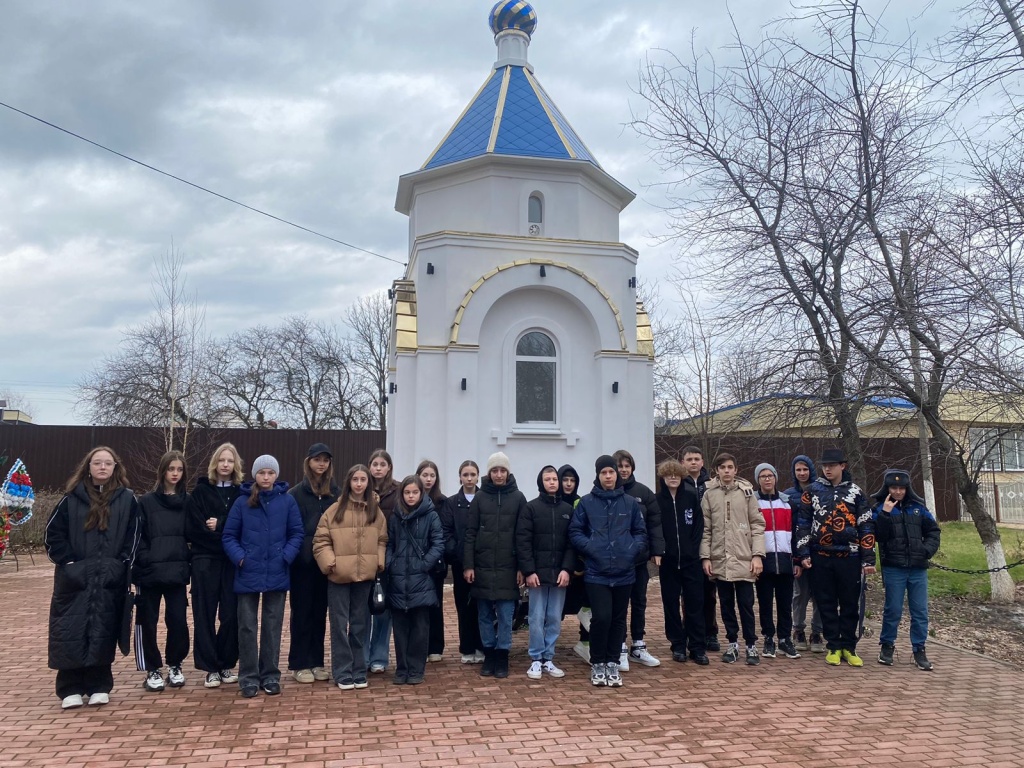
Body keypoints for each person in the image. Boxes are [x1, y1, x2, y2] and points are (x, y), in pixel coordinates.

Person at [45, 446, 141, 710]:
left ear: (115, 467)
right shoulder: (71, 499)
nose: (102, 467)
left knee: (103, 628)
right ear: (88, 467)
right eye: (97, 463)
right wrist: (69, 563)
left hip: (109, 578)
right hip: (74, 580)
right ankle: (70, 688)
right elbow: (53, 536)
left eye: (107, 463)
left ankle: (99, 685)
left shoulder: (127, 499)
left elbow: (134, 536)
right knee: (70, 631)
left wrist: (120, 564)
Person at [222, 455, 304, 697]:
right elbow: (229, 536)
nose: (266, 477)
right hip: (247, 571)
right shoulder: (242, 502)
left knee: (272, 625)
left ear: (276, 475)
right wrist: (241, 558)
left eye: (270, 473)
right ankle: (248, 677)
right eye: (261, 473)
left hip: (277, 571)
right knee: (247, 626)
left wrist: (286, 556)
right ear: (254, 475)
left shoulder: (287, 502)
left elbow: (297, 533)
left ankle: (270, 675)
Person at [569, 455, 648, 687]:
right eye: (603, 472)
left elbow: (640, 532)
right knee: (601, 618)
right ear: (598, 475)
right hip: (597, 572)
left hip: (624, 572)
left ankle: (613, 662)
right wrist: (592, 548)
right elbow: (575, 532)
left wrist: (630, 551)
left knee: (617, 619)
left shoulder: (630, 503)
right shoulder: (586, 502)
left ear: (617, 474)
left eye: (611, 472)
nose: (608, 476)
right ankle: (598, 662)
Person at [796, 448, 876, 667]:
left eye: (832, 465)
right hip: (820, 556)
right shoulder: (812, 491)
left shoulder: (855, 492)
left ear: (843, 466)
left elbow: (866, 524)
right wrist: (803, 554)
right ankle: (833, 645)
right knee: (826, 602)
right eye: (824, 465)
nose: (828, 469)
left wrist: (868, 559)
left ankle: (849, 646)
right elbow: (802, 524)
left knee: (850, 602)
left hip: (850, 556)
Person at [313, 464, 387, 690]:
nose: (359, 484)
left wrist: (378, 562)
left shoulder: (375, 511)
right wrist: (330, 563)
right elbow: (320, 541)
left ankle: (358, 670)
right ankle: (342, 672)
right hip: (338, 578)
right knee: (339, 626)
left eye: (363, 479)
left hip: (364, 578)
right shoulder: (334, 511)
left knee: (359, 626)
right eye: (355, 479)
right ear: (349, 482)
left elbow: (382, 539)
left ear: (368, 483)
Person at [463, 452, 527, 679]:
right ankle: (489, 654)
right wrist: (468, 565)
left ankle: (502, 656)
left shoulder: (518, 498)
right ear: (489, 474)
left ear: (508, 472)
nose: (499, 475)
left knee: (506, 613)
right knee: (484, 615)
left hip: (509, 567)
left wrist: (522, 567)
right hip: (482, 566)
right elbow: (470, 533)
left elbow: (522, 535)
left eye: (502, 470)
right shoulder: (480, 498)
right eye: (494, 470)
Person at [185, 443, 242, 688]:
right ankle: (210, 668)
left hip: (232, 562)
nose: (225, 465)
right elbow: (194, 529)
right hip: (204, 561)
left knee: (230, 615)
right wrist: (225, 535)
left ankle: (227, 663)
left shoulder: (242, 493)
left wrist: (220, 525)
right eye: (221, 460)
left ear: (236, 465)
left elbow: (243, 528)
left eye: (230, 460)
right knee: (204, 614)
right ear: (215, 464)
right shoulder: (200, 493)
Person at [871, 469, 940, 671]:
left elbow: (933, 531)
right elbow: (878, 536)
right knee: (893, 609)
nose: (898, 492)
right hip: (894, 567)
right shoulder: (879, 508)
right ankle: (887, 646)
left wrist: (926, 551)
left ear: (907, 488)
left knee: (920, 611)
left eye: (902, 488)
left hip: (918, 568)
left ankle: (919, 649)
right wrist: (884, 513)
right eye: (894, 487)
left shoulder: (918, 508)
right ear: (887, 488)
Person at [134, 450, 191, 692]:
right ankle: (152, 669)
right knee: (147, 621)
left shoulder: (189, 501)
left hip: (177, 571)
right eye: (171, 469)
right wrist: (146, 559)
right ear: (163, 471)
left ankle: (175, 664)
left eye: (179, 469)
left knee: (177, 621)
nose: (175, 473)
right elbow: (138, 536)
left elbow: (194, 535)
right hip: (149, 573)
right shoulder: (146, 501)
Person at [700, 453, 765, 666]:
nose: (726, 471)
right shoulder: (709, 495)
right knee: (726, 604)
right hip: (720, 559)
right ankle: (732, 643)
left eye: (730, 467)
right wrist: (706, 557)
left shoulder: (746, 493)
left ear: (735, 470)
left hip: (744, 559)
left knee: (746, 604)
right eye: (722, 467)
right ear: (716, 470)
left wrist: (757, 555)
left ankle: (751, 645)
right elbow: (706, 529)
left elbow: (757, 525)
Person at [288, 443, 340, 684]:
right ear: (308, 461)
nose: (321, 464)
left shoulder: (336, 493)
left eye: (325, 460)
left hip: (326, 564)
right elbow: (291, 529)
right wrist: (299, 554)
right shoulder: (295, 494)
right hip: (302, 565)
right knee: (302, 613)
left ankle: (317, 661)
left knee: (320, 613)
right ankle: (300, 663)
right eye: (317, 459)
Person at [517, 465, 575, 680]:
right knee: (536, 617)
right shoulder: (531, 509)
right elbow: (523, 542)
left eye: (554, 478)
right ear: (541, 482)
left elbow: (571, 544)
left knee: (553, 618)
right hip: (537, 577)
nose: (552, 482)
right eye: (547, 479)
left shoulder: (567, 510)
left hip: (559, 575)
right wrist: (529, 571)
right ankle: (535, 659)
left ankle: (548, 658)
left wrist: (567, 569)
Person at [386, 475, 444, 685]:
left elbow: (438, 543)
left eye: (415, 492)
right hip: (398, 578)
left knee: (420, 628)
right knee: (400, 628)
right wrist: (391, 563)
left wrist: (423, 565)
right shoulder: (395, 517)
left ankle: (417, 669)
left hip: (422, 579)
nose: (411, 496)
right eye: (407, 492)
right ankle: (402, 669)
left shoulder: (431, 516)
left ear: (421, 493)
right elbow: (389, 543)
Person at [612, 449, 664, 670]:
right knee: (620, 604)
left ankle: (638, 645)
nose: (623, 469)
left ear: (632, 467)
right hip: (617, 561)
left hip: (640, 559)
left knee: (639, 602)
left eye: (627, 465)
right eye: (620, 466)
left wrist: (657, 550)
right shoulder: (607, 492)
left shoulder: (644, 492)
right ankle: (621, 646)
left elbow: (654, 523)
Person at [656, 458, 708, 665]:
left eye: (676, 475)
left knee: (695, 603)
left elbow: (698, 526)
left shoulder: (691, 498)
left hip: (690, 561)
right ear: (663, 478)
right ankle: (677, 644)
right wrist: (661, 550)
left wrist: (692, 550)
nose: (673, 478)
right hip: (668, 563)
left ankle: (697, 647)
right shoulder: (657, 501)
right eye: (669, 475)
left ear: (681, 477)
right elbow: (655, 529)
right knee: (671, 604)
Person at [439, 460, 484, 664]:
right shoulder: (451, 502)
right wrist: (460, 557)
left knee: (481, 606)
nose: (469, 478)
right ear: (460, 477)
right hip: (460, 564)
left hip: (483, 563)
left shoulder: (485, 499)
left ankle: (482, 646)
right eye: (465, 474)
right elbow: (447, 533)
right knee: (463, 605)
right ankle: (467, 648)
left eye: (472, 474)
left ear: (477, 476)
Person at [753, 463, 800, 660]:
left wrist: (797, 559)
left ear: (775, 478)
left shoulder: (788, 503)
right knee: (765, 603)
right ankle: (768, 638)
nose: (767, 479)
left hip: (786, 560)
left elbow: (797, 533)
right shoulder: (753, 503)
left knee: (784, 603)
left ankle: (784, 639)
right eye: (762, 476)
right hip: (764, 561)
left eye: (770, 475)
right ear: (758, 480)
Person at [783, 455, 823, 653]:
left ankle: (817, 632)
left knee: (820, 594)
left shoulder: (820, 491)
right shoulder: (788, 495)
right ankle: (798, 630)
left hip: (820, 551)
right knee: (800, 593)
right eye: (798, 470)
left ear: (811, 470)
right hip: (798, 552)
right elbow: (789, 528)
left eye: (805, 469)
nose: (802, 473)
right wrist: (795, 557)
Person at [365, 449, 400, 674]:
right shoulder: (359, 487)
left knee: (382, 607)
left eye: (382, 464)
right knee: (362, 610)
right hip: (362, 555)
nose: (378, 468)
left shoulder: (397, 491)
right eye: (374, 464)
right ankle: (362, 655)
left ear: (389, 468)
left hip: (387, 555)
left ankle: (379, 657)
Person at [681, 447, 719, 652]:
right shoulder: (679, 484)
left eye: (697, 459)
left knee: (709, 593)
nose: (693, 462)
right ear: (683, 462)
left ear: (702, 462)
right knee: (688, 595)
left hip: (709, 546)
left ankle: (710, 632)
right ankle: (690, 631)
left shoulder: (711, 485)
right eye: (689, 459)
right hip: (687, 548)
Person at [557, 465, 592, 665]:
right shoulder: (553, 501)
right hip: (557, 561)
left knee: (585, 602)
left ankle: (585, 642)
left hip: (578, 561)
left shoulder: (581, 503)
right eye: (565, 479)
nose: (568, 484)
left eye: (572, 480)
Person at [416, 459, 447, 663]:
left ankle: (435, 646)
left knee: (435, 605)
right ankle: (420, 645)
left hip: (435, 562)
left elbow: (443, 534)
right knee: (419, 607)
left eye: (432, 475)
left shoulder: (442, 502)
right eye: (425, 475)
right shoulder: (411, 498)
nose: (428, 479)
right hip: (414, 562)